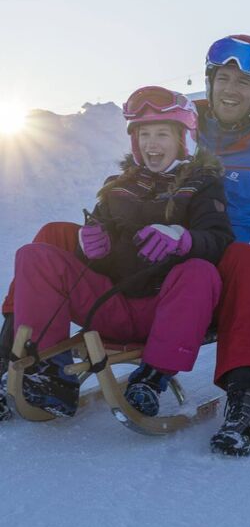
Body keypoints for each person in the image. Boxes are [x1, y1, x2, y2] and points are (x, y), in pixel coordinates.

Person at [1, 35, 250, 456]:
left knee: (245, 260)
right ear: (208, 82)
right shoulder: (179, 125)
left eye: (244, 82)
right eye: (223, 77)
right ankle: (19, 359)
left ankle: (245, 399)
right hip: (147, 262)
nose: (230, 89)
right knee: (54, 236)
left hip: (219, 270)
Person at [9, 86, 233, 421]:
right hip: (112, 305)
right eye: (144, 134)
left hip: (165, 310)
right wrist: (89, 250)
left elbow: (219, 240)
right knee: (34, 255)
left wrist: (184, 239)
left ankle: (152, 377)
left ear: (182, 139)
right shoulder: (118, 187)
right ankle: (48, 371)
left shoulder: (203, 185)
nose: (151, 144)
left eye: (161, 134)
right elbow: (95, 257)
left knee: (200, 272)